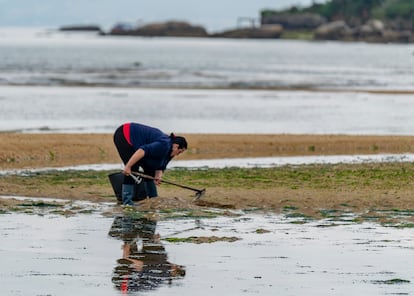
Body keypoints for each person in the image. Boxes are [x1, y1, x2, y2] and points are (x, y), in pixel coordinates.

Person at [113, 122, 187, 205]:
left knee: (150, 168)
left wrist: (158, 175)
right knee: (133, 169)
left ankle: (153, 198)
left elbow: (161, 164)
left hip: (137, 143)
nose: (178, 154)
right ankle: (127, 202)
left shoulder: (170, 150)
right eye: (179, 152)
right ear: (176, 146)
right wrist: (128, 166)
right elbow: (142, 151)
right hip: (125, 134)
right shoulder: (164, 144)